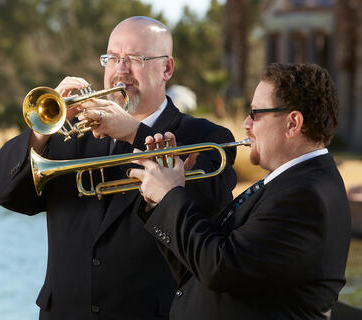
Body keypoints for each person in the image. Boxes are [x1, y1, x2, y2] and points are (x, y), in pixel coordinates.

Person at [0, 16, 237, 320]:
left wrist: (134, 132)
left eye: (135, 59)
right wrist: (42, 130)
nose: (121, 70)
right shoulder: (69, 133)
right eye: (113, 58)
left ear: (167, 68)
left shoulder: (205, 137)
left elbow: (212, 204)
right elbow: (2, 191)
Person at [129, 63, 351, 319]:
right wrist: (161, 201)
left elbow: (221, 267)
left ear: (293, 123)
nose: (246, 124)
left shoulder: (307, 195)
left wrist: (170, 196)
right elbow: (200, 268)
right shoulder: (287, 183)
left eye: (255, 114)